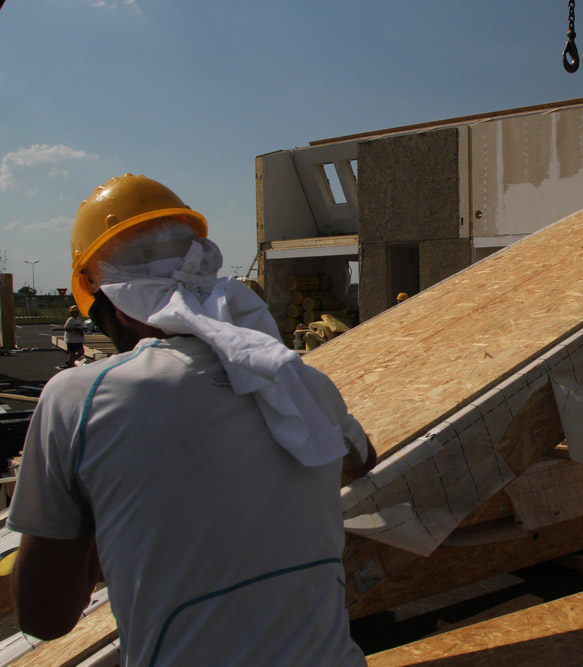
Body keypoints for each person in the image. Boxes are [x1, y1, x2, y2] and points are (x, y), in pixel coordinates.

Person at [8, 174, 377, 664]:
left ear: (108, 305)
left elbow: (43, 618)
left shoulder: (79, 399)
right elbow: (362, 458)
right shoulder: (298, 382)